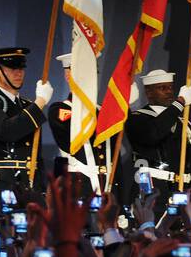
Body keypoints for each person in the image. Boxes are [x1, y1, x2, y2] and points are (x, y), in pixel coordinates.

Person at [47, 52, 134, 202]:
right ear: (68, 76)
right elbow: (81, 131)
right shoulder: (61, 109)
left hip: (109, 187)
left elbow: (114, 155)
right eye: (84, 73)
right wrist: (116, 108)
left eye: (93, 73)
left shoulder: (103, 111)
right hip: (79, 188)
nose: (90, 78)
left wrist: (124, 107)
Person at [0, 47, 52, 212]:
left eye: (21, 68)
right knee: (6, 235)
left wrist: (43, 187)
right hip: (3, 183)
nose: (18, 73)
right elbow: (7, 131)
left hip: (31, 184)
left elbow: (36, 154)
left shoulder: (27, 106)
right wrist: (40, 103)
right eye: (12, 68)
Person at [125, 68, 191, 204]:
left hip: (182, 191)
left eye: (170, 87)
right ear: (148, 92)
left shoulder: (183, 122)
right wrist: (179, 103)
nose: (169, 91)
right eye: (162, 88)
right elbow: (154, 134)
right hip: (153, 190)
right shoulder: (137, 118)